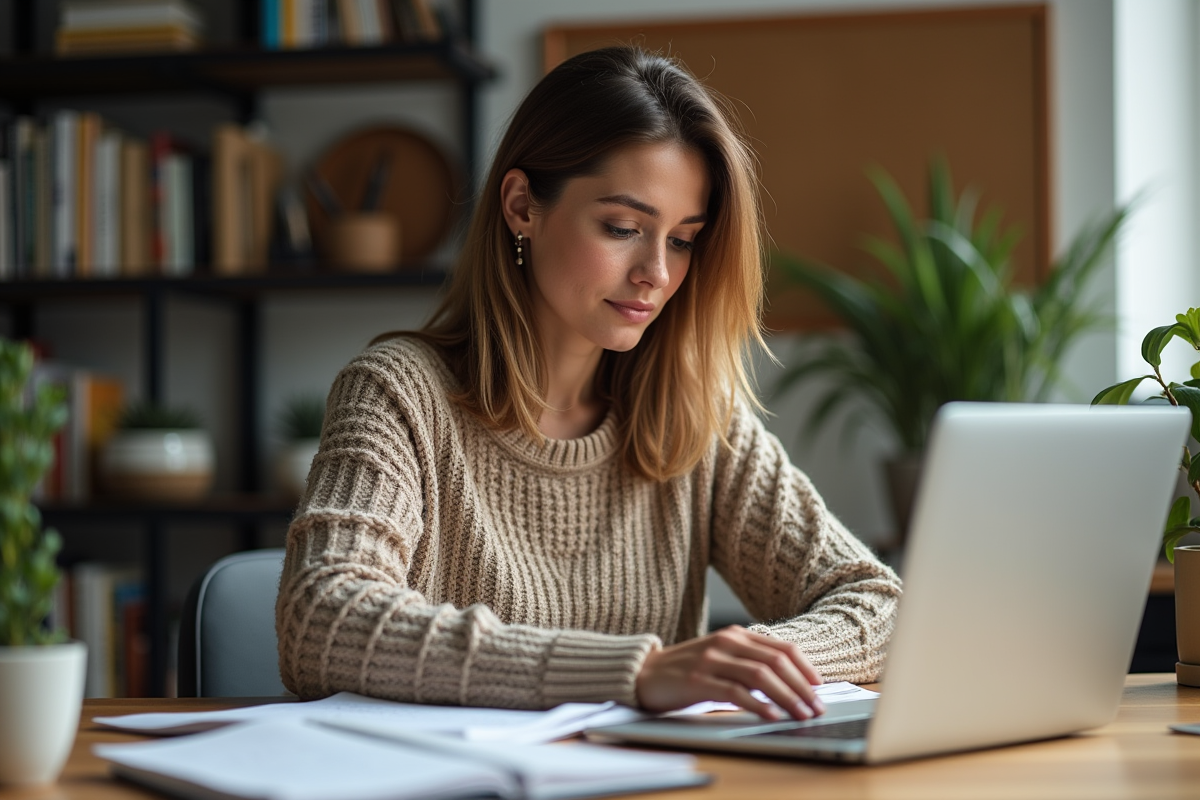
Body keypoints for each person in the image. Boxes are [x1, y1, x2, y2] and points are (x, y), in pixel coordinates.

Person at [275, 46, 901, 722]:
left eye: (684, 240)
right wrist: (637, 672)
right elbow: (322, 620)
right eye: (623, 228)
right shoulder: (399, 393)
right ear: (521, 206)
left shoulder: (693, 416)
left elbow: (879, 606)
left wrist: (748, 660)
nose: (656, 273)